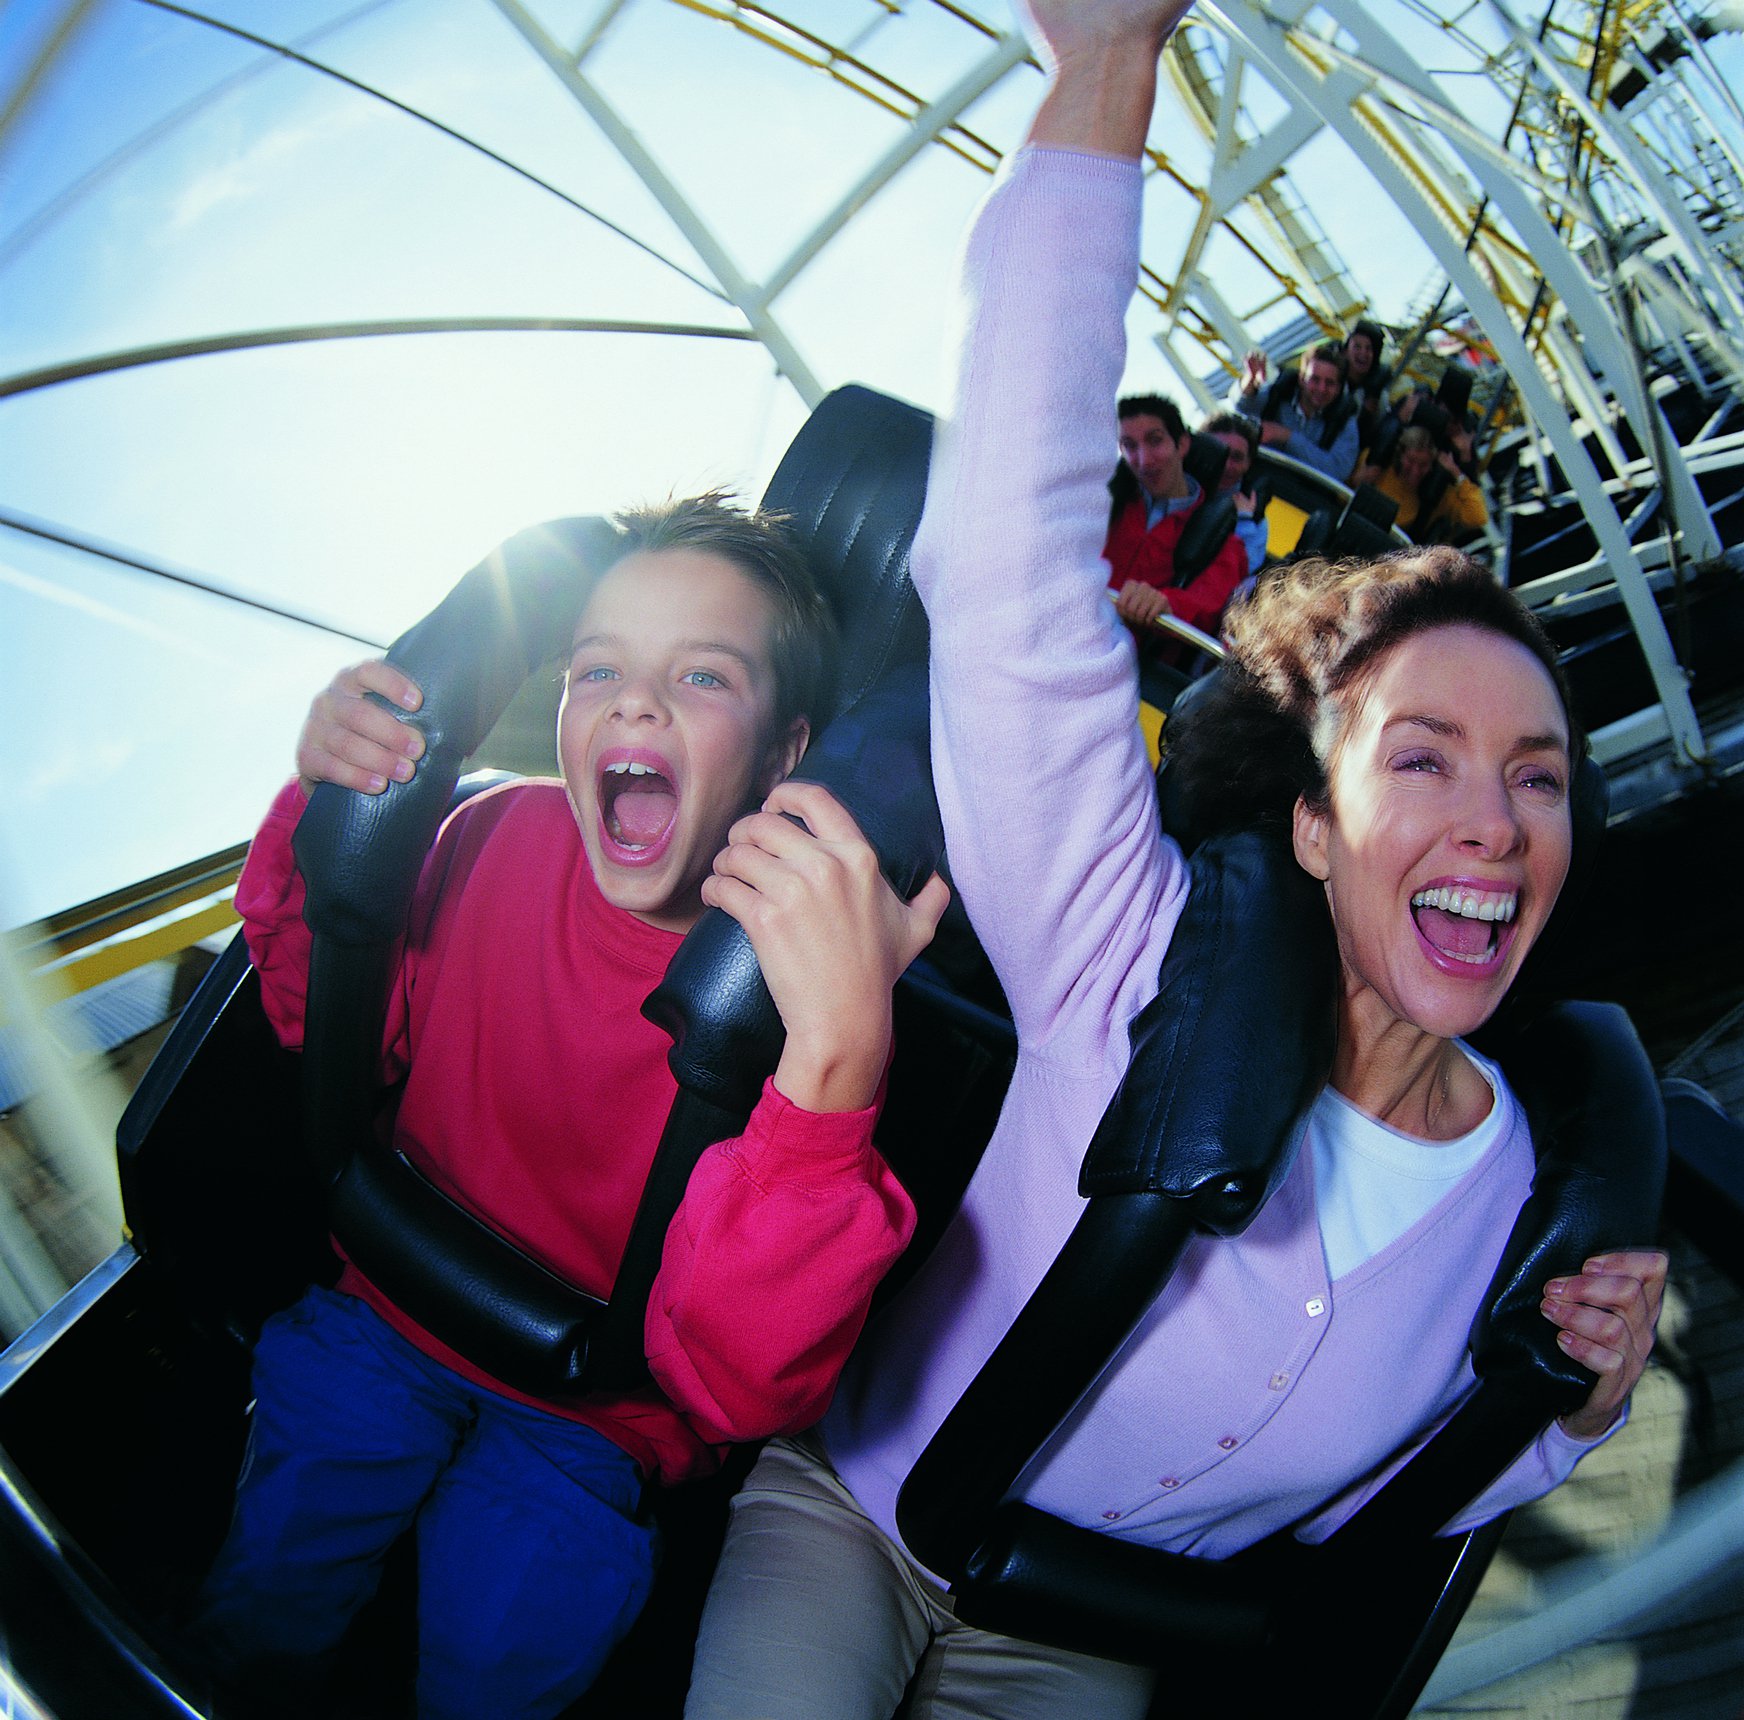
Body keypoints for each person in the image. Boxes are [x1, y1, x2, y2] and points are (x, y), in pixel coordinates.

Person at [682, 8, 1666, 1719]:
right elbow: (998, 579)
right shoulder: (1125, 961)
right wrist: (1101, 77)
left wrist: (1570, 1409)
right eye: (1414, 759)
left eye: (1537, 780)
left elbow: (1377, 1505)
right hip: (847, 1522)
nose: (1490, 822)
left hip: (1086, 1635)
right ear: (1303, 820)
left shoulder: (1520, 1201)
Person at [188, 494, 951, 1720]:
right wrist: (334, 803)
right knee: (267, 1584)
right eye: (599, 666)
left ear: (785, 752)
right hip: (387, 1311)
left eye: (702, 676)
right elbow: (312, 1011)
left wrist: (838, 1060)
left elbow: (746, 1383)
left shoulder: (803, 991)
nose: (634, 704)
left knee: (504, 1637)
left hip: (601, 1415)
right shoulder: (488, 829)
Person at [1102, 392, 1248, 637]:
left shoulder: (1223, 542)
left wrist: (1165, 603)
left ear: (1182, 444)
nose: (1143, 459)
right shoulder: (1102, 503)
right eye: (1130, 445)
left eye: (1155, 441)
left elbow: (1208, 602)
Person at [1234, 338, 1361, 482]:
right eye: (1315, 379)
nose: (1321, 389)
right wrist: (1250, 380)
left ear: (1338, 389)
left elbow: (1337, 471)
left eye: (1330, 383)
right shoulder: (1278, 394)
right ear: (1301, 378)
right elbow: (1242, 406)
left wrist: (1286, 436)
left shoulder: (1344, 422)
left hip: (1303, 496)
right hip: (1259, 478)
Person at [1353, 423, 1489, 545]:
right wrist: (1358, 482)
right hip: (1353, 531)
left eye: (1423, 465)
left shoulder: (1439, 495)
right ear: (1400, 454)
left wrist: (1456, 473)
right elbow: (1339, 495)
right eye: (1410, 461)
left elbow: (1478, 517)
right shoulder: (1376, 463)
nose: (1415, 470)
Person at [1199, 407, 1267, 576]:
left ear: (1248, 464)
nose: (1226, 465)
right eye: (1219, 452)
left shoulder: (1255, 521)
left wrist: (1243, 521)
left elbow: (1241, 573)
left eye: (1236, 457)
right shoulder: (1173, 488)